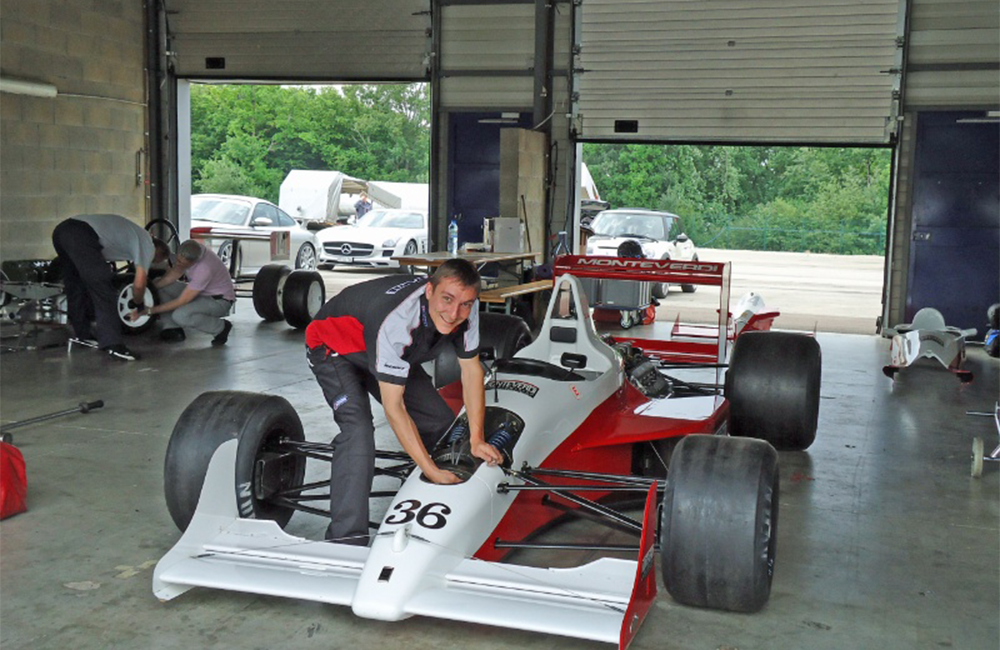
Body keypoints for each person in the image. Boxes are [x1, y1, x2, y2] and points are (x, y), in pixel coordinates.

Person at [305, 259, 502, 544]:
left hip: (382, 350)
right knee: (358, 433)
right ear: (429, 290)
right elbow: (394, 409)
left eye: (465, 304)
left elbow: (472, 371)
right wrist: (430, 470)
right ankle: (346, 541)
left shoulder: (466, 311)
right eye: (447, 299)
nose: (454, 313)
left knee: (442, 424)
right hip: (333, 347)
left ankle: (431, 504)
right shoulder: (397, 321)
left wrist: (476, 439)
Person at [51, 214, 161, 361]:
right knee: (104, 290)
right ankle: (113, 345)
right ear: (157, 252)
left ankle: (83, 335)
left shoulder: (134, 235)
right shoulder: (148, 245)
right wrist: (137, 302)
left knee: (76, 286)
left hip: (61, 231)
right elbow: (140, 284)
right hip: (81, 233)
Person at [132, 239, 235, 346]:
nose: (177, 263)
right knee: (160, 284)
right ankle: (172, 328)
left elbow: (181, 301)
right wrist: (148, 289)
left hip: (219, 301)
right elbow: (176, 271)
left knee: (181, 315)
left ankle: (220, 327)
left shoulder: (204, 269)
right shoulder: (192, 249)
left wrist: (149, 311)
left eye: (181, 262)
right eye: (177, 259)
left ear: (193, 262)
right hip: (201, 293)